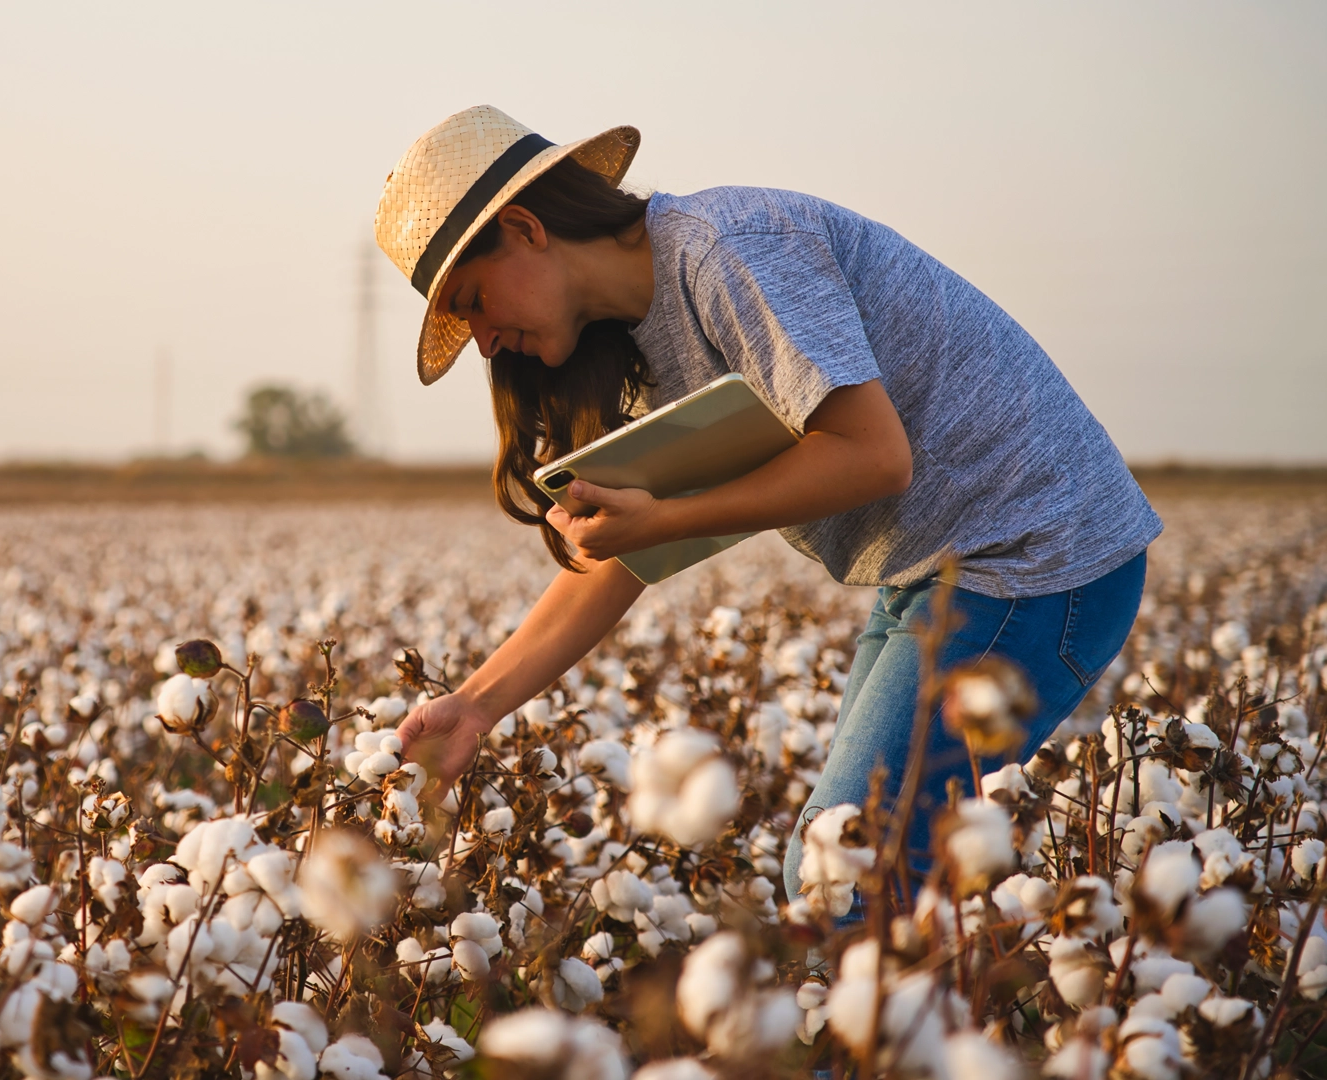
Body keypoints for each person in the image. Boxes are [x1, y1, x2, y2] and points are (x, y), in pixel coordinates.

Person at [374, 106, 1159, 899]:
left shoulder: (729, 251)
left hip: (1037, 557)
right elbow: (618, 557)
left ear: (526, 228)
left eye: (471, 299)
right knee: (859, 874)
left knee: (842, 877)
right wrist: (474, 705)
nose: (480, 339)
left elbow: (873, 456)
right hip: (942, 574)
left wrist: (667, 519)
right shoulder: (639, 335)